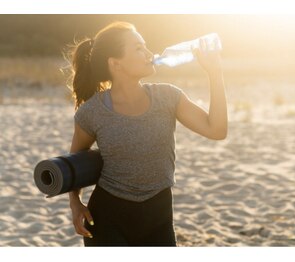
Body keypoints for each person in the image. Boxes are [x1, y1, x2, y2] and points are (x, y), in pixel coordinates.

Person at [67, 21, 227, 246]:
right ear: (116, 64)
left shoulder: (168, 97)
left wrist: (215, 73)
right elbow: (73, 165)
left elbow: (217, 129)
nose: (149, 53)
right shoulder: (92, 112)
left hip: (158, 219)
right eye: (138, 49)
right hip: (107, 220)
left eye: (146, 47)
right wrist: (75, 203)